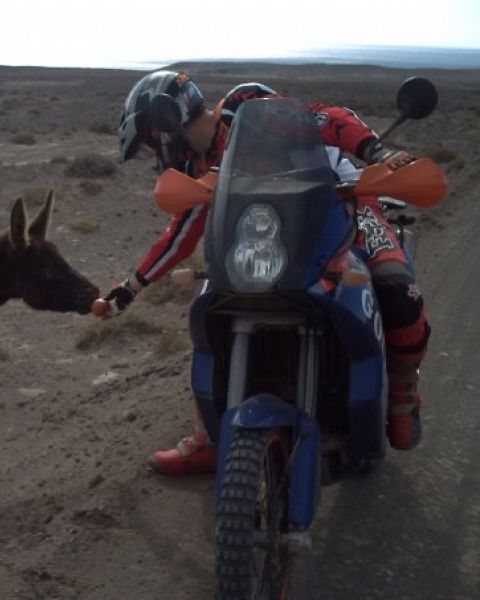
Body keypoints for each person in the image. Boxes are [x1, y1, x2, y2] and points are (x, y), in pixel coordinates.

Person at [106, 70, 430, 476]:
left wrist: (375, 152)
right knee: (213, 305)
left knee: (395, 287)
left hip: (343, 202)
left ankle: (402, 392)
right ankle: (211, 433)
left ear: (164, 125)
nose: (155, 158)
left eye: (150, 145)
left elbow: (324, 118)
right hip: (270, 237)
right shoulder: (198, 166)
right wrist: (132, 286)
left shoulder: (246, 107)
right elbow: (183, 230)